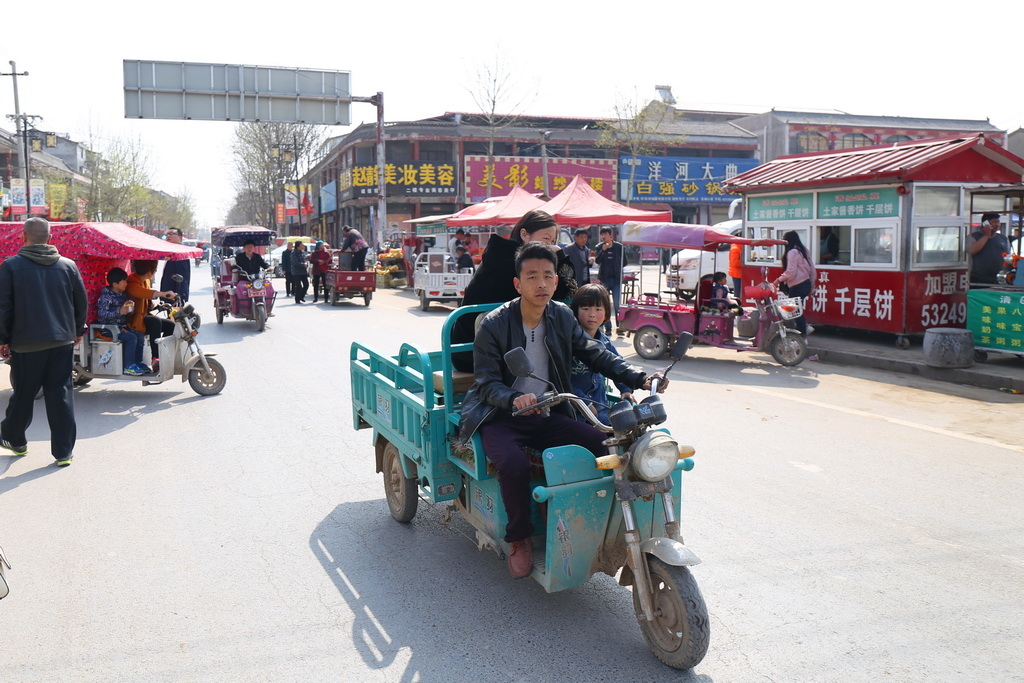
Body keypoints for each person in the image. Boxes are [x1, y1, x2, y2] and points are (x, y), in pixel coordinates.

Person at [458, 242, 666, 578]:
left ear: (556, 281)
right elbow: (485, 383)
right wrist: (513, 398)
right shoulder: (494, 324)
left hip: (549, 411)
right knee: (512, 465)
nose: (541, 283)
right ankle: (520, 538)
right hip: (502, 417)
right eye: (532, 276)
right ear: (518, 283)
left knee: (606, 446)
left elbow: (595, 353)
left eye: (547, 276)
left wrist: (638, 377)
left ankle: (608, 525)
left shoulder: (561, 315)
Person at [0, 217, 87, 467]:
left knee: (24, 394)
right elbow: (81, 303)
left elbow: (3, 307)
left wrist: (3, 339)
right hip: (61, 341)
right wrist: (77, 330)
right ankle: (63, 453)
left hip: (26, 344)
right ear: (50, 238)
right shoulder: (68, 266)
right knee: (60, 393)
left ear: (24, 237)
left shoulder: (11, 266)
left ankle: (14, 440)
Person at [450, 209, 578, 373]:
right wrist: (560, 256)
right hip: (473, 353)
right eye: (546, 239)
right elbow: (566, 290)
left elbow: (566, 289)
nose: (551, 246)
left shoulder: (510, 255)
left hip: (494, 347)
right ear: (524, 235)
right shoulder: (511, 261)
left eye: (554, 241)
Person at [569, 284, 633, 424]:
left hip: (601, 410)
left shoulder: (605, 343)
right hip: (576, 413)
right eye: (586, 309)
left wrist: (625, 389)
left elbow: (618, 366)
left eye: (598, 309)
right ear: (575, 312)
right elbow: (563, 380)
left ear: (605, 314)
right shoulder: (569, 344)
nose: (592, 314)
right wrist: (583, 403)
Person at [126, 260, 176, 370]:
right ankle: (155, 358)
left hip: (143, 317)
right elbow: (143, 293)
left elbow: (146, 298)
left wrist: (154, 305)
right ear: (150, 272)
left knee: (170, 325)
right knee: (155, 322)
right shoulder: (132, 283)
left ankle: (164, 354)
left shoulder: (145, 280)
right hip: (133, 321)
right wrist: (163, 294)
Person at [96, 268, 147, 375]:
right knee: (131, 337)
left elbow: (126, 313)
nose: (126, 283)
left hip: (121, 327)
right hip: (108, 329)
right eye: (123, 281)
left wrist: (129, 310)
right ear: (115, 284)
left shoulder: (123, 296)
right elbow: (102, 315)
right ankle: (128, 366)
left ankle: (138, 362)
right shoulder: (106, 297)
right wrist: (119, 311)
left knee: (139, 335)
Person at [774, 231, 816, 336]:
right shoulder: (804, 250)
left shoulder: (792, 252)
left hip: (797, 285)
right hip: (805, 284)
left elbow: (790, 272)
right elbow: (812, 270)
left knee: (793, 310)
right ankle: (805, 328)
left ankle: (803, 333)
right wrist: (812, 285)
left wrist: (778, 280)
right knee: (795, 309)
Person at [594, 227, 623, 336]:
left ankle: (620, 327)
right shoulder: (599, 247)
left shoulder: (619, 247)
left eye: (605, 234)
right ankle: (608, 327)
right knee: (605, 304)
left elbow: (624, 261)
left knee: (617, 304)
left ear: (611, 235)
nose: (603, 237)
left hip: (616, 279)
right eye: (602, 235)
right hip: (605, 279)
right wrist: (603, 250)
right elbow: (597, 260)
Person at [969, 213, 1011, 284]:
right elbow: (972, 250)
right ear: (985, 223)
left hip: (998, 278)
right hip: (977, 279)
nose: (997, 224)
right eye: (994, 222)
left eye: (998, 222)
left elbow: (1007, 257)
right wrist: (986, 235)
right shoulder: (973, 237)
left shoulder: (1003, 239)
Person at [159, 228, 191, 301]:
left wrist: (180, 296)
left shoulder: (180, 253)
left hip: (175, 296)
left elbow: (183, 277)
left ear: (180, 237)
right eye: (167, 234)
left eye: (171, 233)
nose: (168, 236)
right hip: (167, 293)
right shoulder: (171, 252)